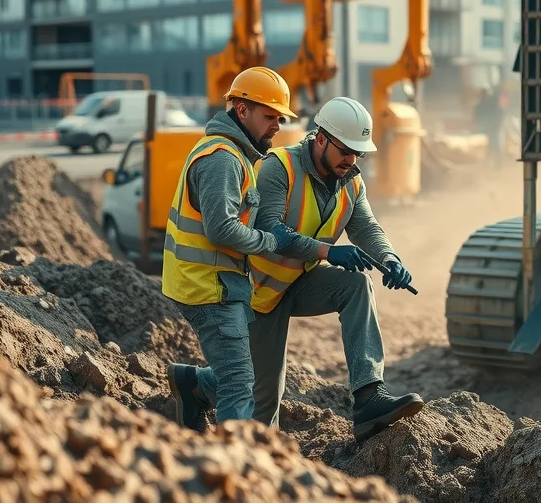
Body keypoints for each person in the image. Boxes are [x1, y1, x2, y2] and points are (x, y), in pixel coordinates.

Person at [247, 96, 424, 441]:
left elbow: (368, 229)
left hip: (298, 282)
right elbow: (270, 229)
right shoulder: (278, 167)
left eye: (358, 152)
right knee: (265, 391)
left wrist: (390, 260)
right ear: (321, 138)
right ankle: (195, 384)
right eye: (345, 150)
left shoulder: (352, 182)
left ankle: (369, 396)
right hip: (257, 288)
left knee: (357, 285)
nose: (351, 160)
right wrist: (328, 251)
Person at [163, 66, 302, 430]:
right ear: (242, 110)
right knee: (240, 386)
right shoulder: (223, 158)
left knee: (236, 372)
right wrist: (271, 242)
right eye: (270, 116)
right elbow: (222, 230)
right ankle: (236, 473)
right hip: (208, 287)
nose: (277, 125)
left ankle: (192, 385)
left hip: (216, 283)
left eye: (281, 118)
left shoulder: (237, 153)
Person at [474, 86, 505, 167]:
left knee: (494, 147)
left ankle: (496, 165)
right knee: (489, 148)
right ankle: (488, 164)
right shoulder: (482, 105)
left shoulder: (489, 105)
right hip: (488, 130)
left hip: (493, 129)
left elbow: (500, 115)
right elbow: (477, 118)